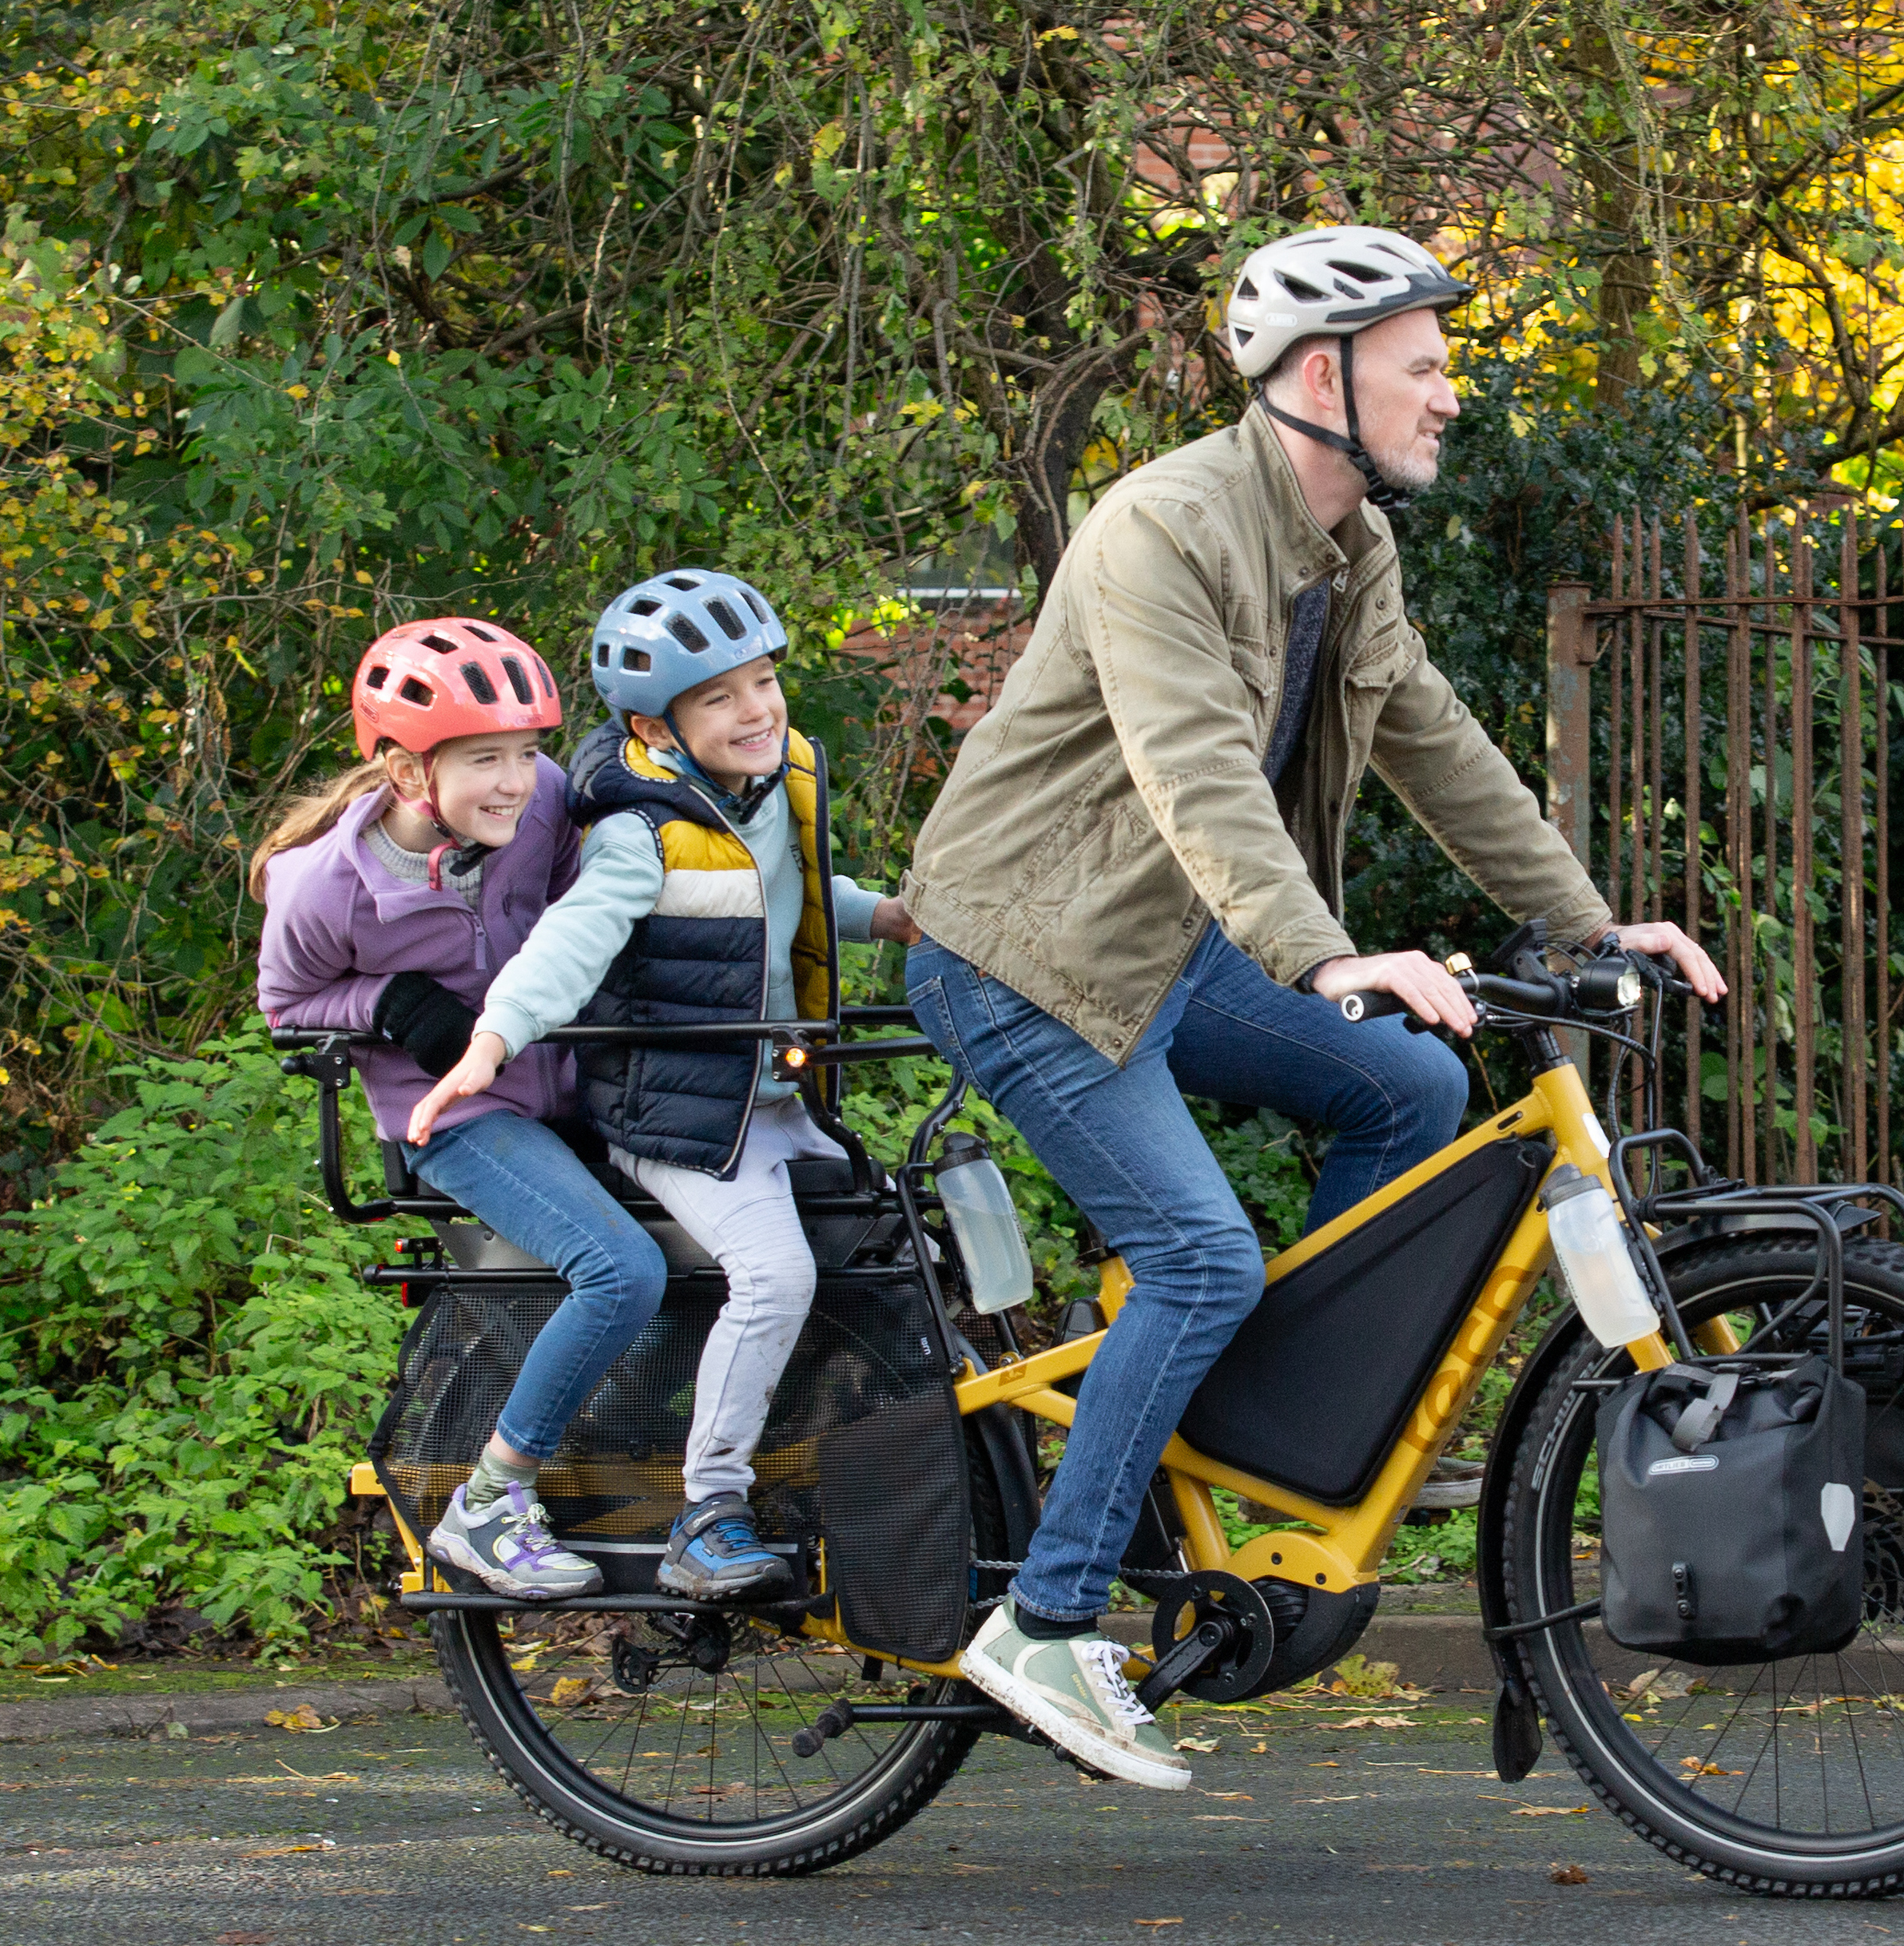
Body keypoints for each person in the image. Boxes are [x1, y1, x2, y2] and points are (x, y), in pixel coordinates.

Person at [900, 225, 1730, 1789]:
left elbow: (1438, 741)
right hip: (1018, 949)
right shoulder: (1162, 526)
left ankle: (1214, 1413)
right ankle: (1049, 1617)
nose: (1450, 398)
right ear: (1319, 375)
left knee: (1408, 1094)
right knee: (1202, 1250)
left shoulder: (1352, 555)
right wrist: (1321, 954)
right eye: (1425, 368)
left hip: (1161, 941)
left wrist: (1589, 919)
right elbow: (1192, 762)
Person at [413, 570, 924, 1601]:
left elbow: (792, 895)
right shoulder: (636, 833)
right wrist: (492, 1039)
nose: (756, 711)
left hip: (769, 1103)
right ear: (657, 725)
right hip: (683, 1121)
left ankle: (834, 1459)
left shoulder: (763, 794)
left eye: (764, 682)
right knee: (776, 1274)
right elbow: (570, 942)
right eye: (719, 697)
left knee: (890, 1239)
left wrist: (890, 916)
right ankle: (710, 1509)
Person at [254, 617, 664, 1604]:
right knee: (620, 1269)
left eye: (526, 752)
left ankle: (640, 1462)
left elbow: (592, 906)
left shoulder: (544, 807)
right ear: (405, 775)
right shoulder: (327, 889)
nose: (517, 782)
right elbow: (284, 1006)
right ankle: (491, 1500)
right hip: (457, 1122)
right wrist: (387, 1006)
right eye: (486, 760)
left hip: (569, 1083)